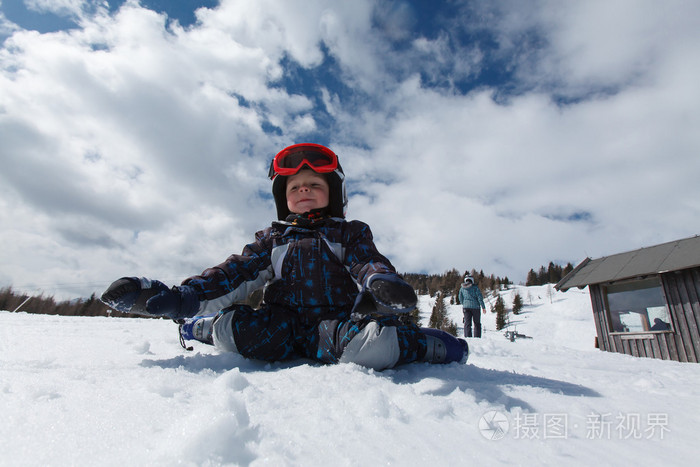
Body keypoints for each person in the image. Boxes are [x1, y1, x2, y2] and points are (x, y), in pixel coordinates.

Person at [101, 143, 468, 370]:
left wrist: (380, 281)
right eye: (295, 186)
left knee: (372, 347)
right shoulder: (272, 239)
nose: (304, 189)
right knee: (234, 329)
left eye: (314, 184)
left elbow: (366, 260)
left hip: (333, 327)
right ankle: (199, 327)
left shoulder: (348, 231)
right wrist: (184, 296)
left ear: (333, 193)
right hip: (280, 326)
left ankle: (423, 343)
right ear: (283, 197)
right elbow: (235, 273)